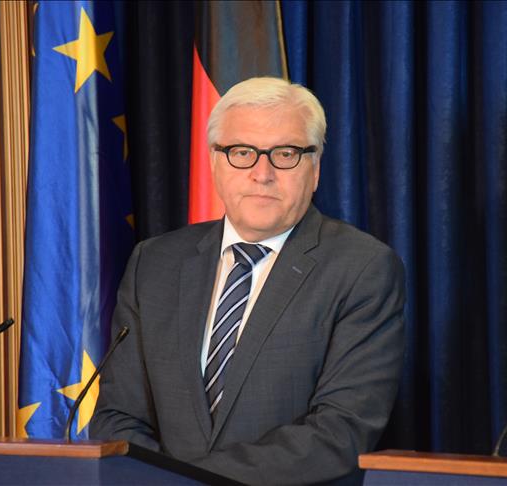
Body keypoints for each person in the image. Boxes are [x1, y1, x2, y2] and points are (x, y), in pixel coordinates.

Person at [91, 77, 405, 485]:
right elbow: (117, 416)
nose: (262, 173)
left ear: (314, 168)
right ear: (214, 163)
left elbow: (339, 433)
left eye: (285, 154)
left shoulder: (362, 268)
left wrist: (180, 481)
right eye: (242, 152)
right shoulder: (153, 263)